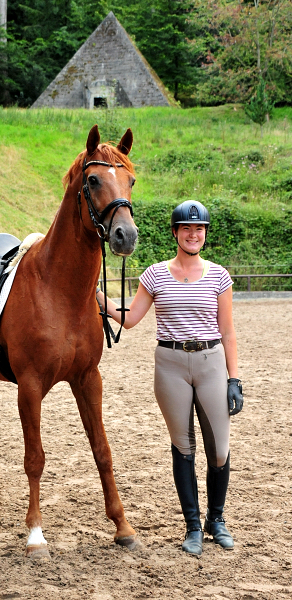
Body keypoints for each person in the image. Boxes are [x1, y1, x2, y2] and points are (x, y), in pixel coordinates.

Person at [97, 200, 244, 556]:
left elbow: (228, 331)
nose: (194, 235)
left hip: (210, 362)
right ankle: (193, 527)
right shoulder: (155, 274)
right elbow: (130, 319)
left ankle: (217, 520)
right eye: (187, 229)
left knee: (219, 450)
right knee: (183, 447)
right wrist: (95, 294)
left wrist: (234, 379)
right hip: (170, 364)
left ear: (204, 234)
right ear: (176, 233)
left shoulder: (219, 276)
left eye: (200, 229)